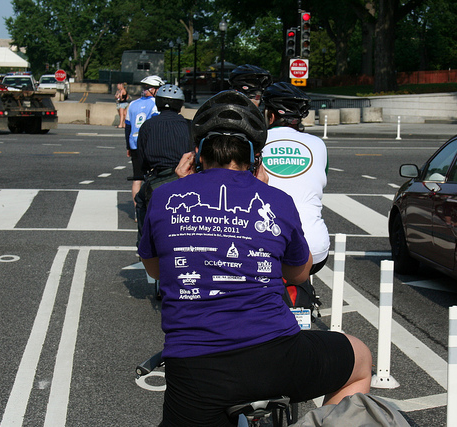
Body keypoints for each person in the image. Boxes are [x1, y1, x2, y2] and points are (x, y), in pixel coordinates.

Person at [138, 90, 372, 426]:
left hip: (194, 369)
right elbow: (300, 273)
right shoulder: (275, 200)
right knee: (360, 361)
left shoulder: (165, 197)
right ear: (255, 157)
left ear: (197, 153)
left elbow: (155, 269)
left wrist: (183, 186)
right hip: (276, 356)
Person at [261, 82, 330, 305]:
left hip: (268, 243)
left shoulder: (257, 142)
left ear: (270, 115)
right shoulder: (317, 144)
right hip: (315, 247)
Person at [134, 84, 191, 245]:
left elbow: (142, 157)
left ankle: (143, 245)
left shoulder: (148, 125)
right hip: (184, 178)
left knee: (141, 201)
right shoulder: (189, 125)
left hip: (157, 176)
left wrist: (145, 172)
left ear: (158, 103)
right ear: (179, 105)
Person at [124, 75, 165, 210]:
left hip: (134, 144)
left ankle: (137, 210)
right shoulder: (155, 104)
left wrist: (128, 146)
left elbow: (128, 127)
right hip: (149, 145)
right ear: (154, 89)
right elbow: (156, 125)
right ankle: (151, 208)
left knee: (137, 178)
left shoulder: (132, 104)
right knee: (154, 177)